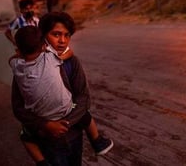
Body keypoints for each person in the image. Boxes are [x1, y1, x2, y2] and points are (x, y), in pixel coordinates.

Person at [12, 12, 113, 166]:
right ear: (42, 37)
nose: (62, 41)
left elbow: (83, 97)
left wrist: (65, 123)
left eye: (67, 35)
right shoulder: (25, 69)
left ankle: (97, 142)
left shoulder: (71, 62)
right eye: (56, 34)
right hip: (47, 140)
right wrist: (46, 125)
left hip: (73, 135)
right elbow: (18, 107)